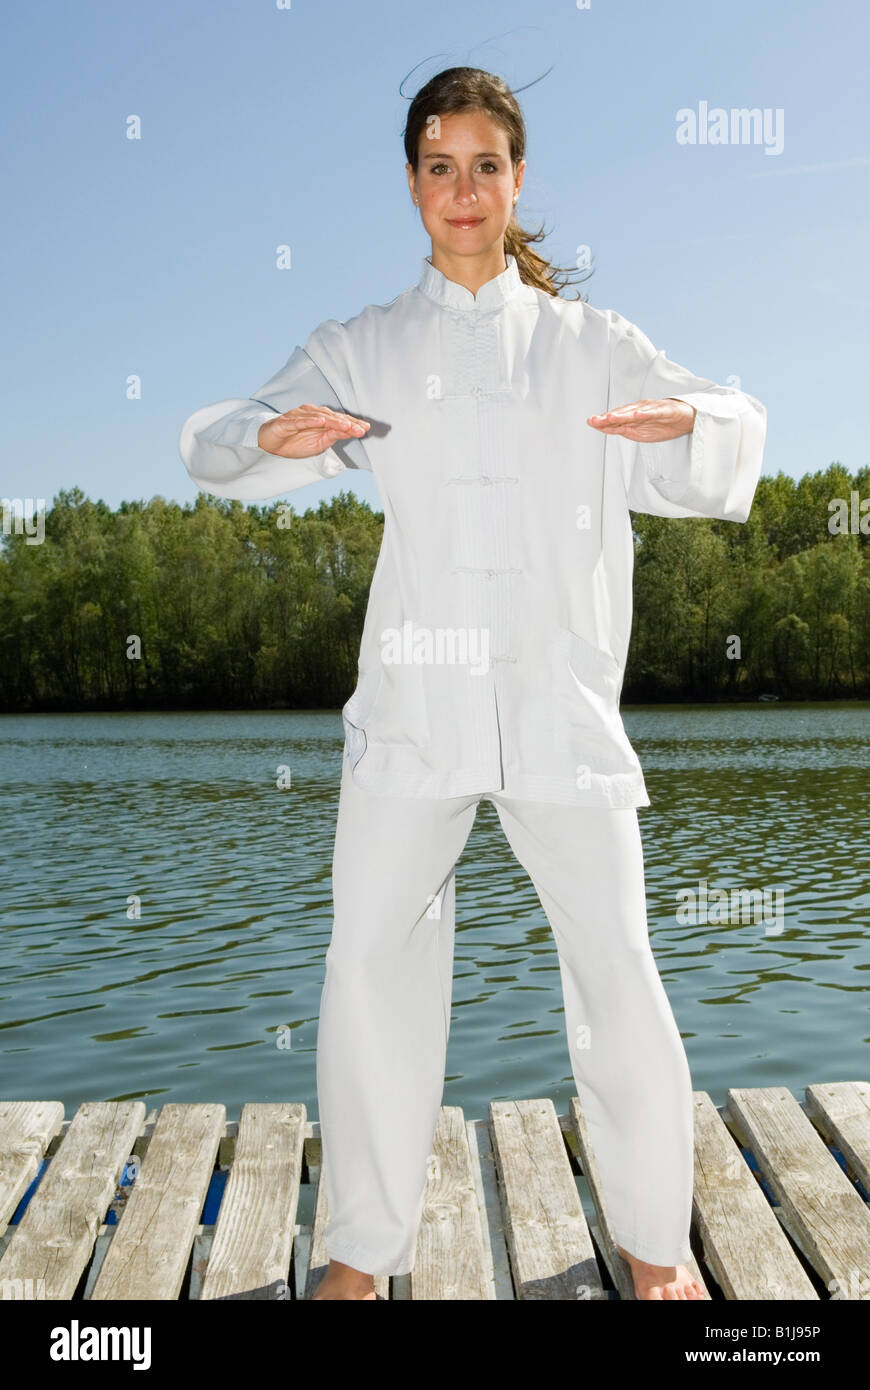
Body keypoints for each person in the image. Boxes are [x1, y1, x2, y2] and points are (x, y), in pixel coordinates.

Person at [179, 66, 766, 1301]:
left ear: (517, 180)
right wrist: (263, 438)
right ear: (411, 183)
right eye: (439, 166)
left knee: (618, 969)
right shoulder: (366, 348)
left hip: (562, 712)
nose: (462, 188)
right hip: (411, 717)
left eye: (485, 164)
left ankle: (656, 1253)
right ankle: (359, 1257)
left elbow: (732, 426)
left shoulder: (591, 345)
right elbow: (216, 438)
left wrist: (695, 431)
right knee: (369, 969)